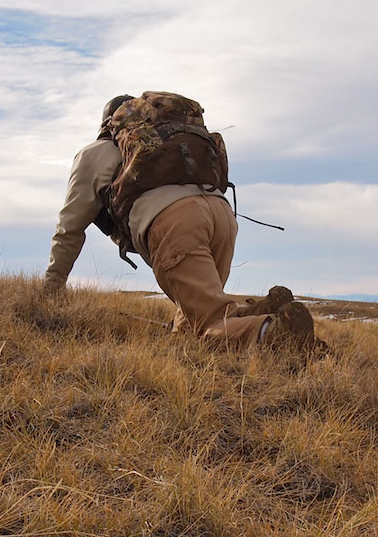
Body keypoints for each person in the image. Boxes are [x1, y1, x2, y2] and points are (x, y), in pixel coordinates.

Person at [44, 94, 317, 352]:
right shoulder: (169, 136)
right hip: (221, 214)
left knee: (208, 324)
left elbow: (69, 228)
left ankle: (274, 334)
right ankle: (264, 312)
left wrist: (52, 287)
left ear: (108, 124)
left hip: (175, 220)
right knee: (198, 312)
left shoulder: (95, 153)